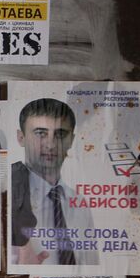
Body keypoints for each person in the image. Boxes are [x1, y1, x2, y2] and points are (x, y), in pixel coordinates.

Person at [9, 98, 98, 266]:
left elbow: (92, 266)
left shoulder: (80, 204)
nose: (50, 144)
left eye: (60, 134)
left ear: (71, 140)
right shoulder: (7, 199)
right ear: (21, 138)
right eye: (40, 133)